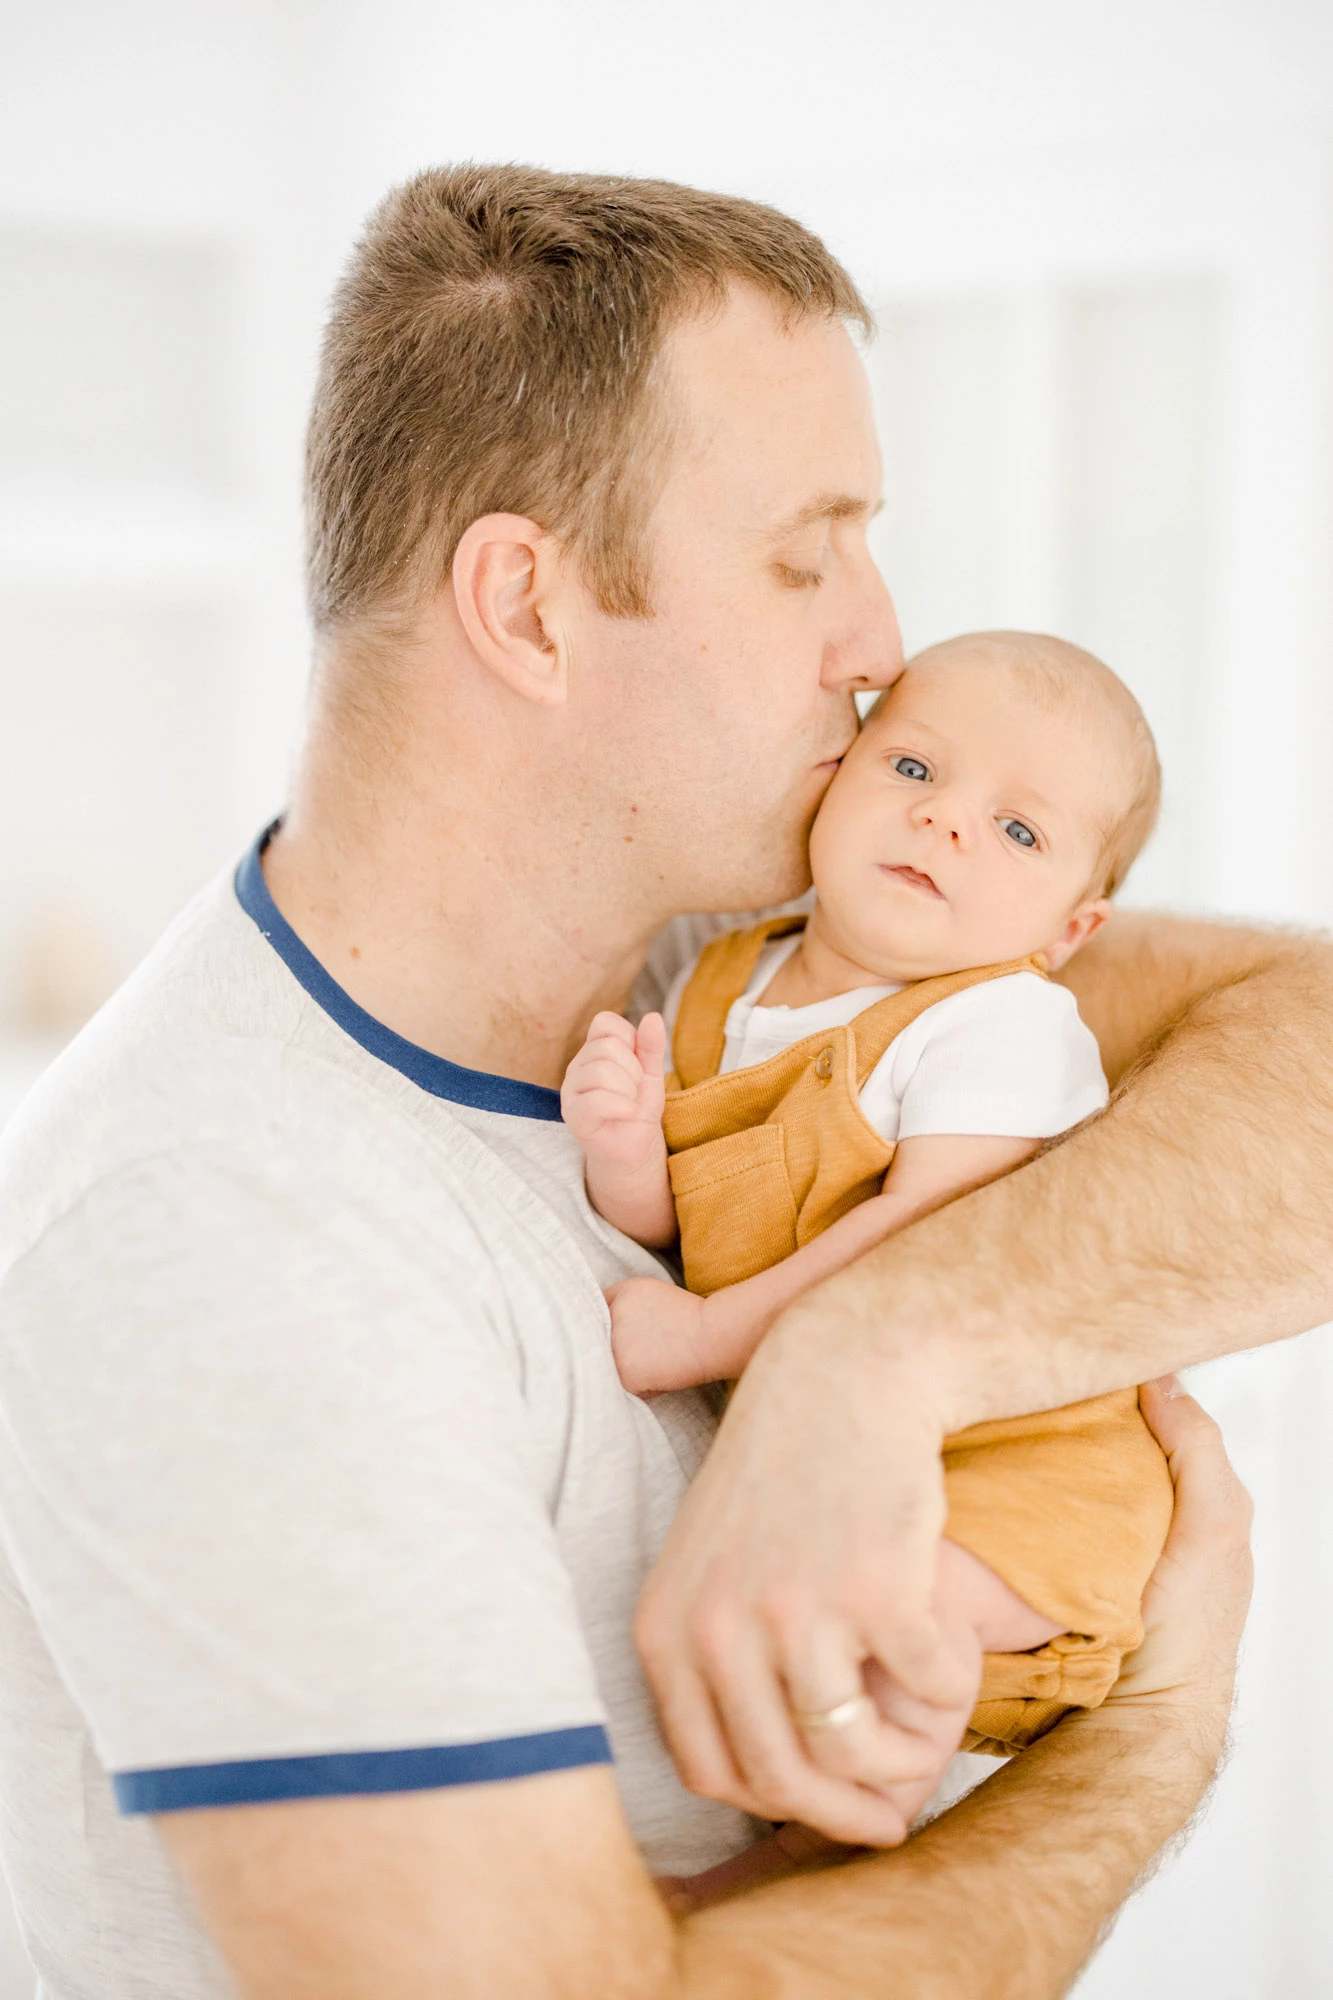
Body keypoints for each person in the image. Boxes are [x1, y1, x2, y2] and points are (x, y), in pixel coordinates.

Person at [0, 163, 1279, 1997]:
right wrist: (1146, 1741)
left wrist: (875, 1348)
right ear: (526, 610)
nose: (878, 643)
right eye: (802, 555)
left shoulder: (728, 965)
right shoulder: (227, 1228)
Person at [563, 632, 1174, 1828]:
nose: (945, 822)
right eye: (912, 770)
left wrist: (696, 1336)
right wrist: (628, 1150)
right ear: (834, 773)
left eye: (1017, 831)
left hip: (1017, 1468)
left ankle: (879, 1834)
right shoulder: (721, 979)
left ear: (1070, 927)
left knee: (880, 1623)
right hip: (849, 1461)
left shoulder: (999, 1020)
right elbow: (687, 1222)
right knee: (799, 1656)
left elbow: (915, 1246)